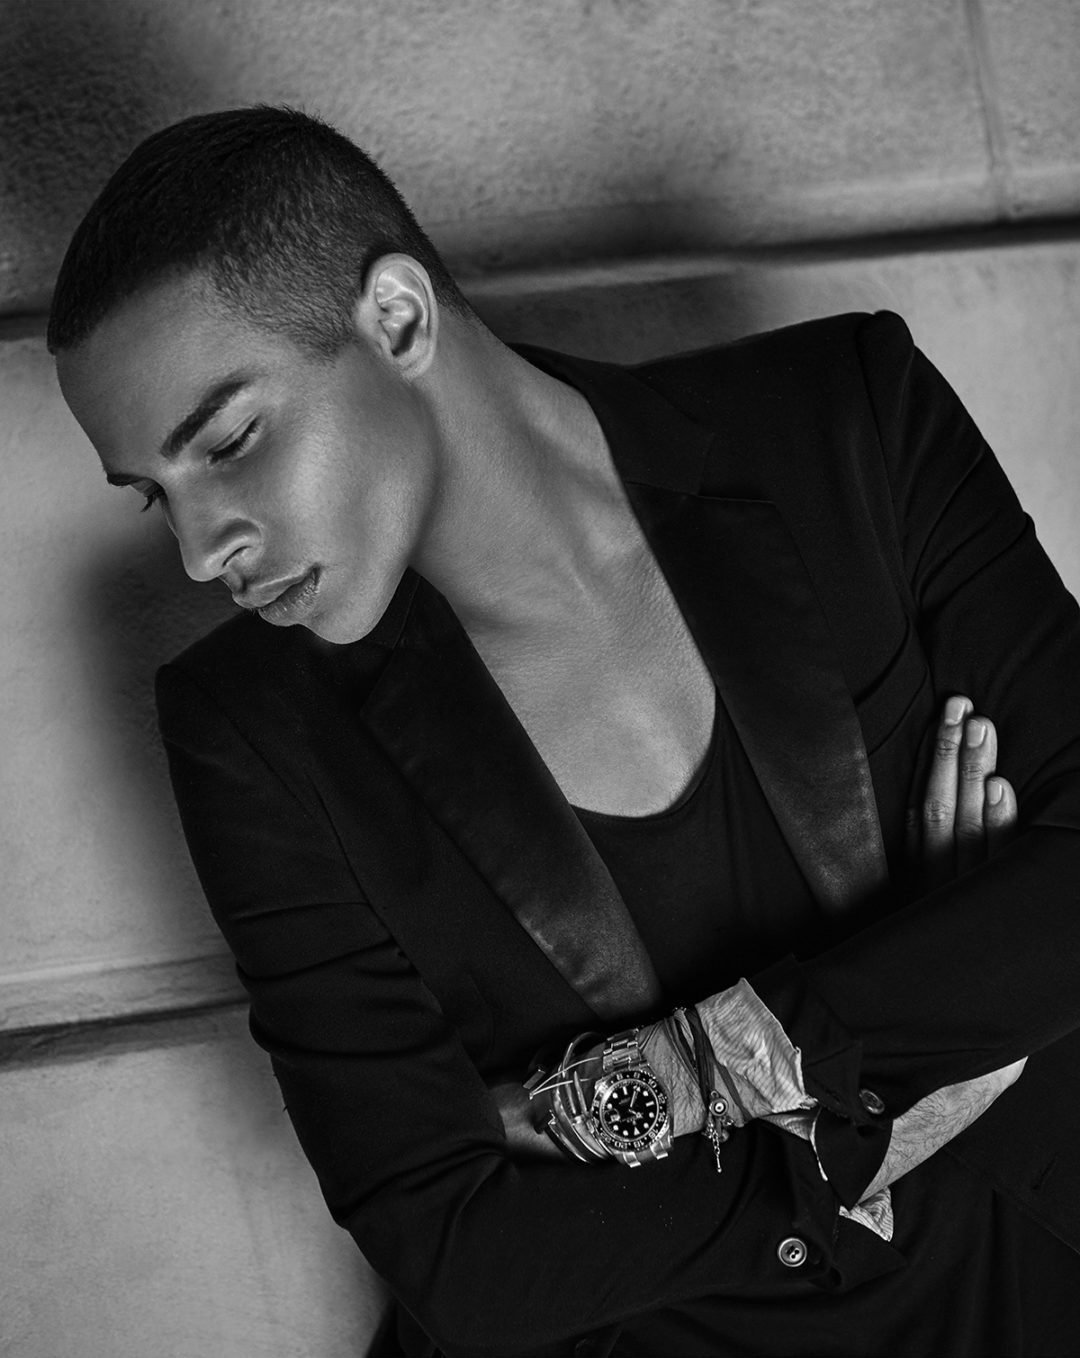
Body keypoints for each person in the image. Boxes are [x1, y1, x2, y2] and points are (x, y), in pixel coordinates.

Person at [49, 107, 1080, 1357]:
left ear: (398, 320)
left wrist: (686, 1073)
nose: (202, 550)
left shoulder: (845, 421)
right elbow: (463, 1254)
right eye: (155, 497)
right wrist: (929, 1051)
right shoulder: (254, 732)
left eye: (228, 443)